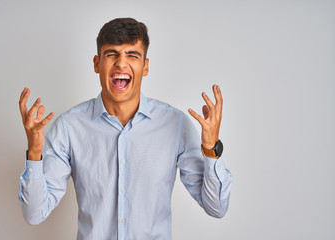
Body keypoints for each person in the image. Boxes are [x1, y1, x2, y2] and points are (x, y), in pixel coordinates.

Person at [18, 17, 232, 240]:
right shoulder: (69, 127)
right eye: (112, 54)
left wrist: (210, 148)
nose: (121, 63)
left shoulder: (175, 125)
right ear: (96, 63)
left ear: (145, 66)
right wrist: (34, 152)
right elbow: (34, 214)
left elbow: (216, 208)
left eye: (132, 55)